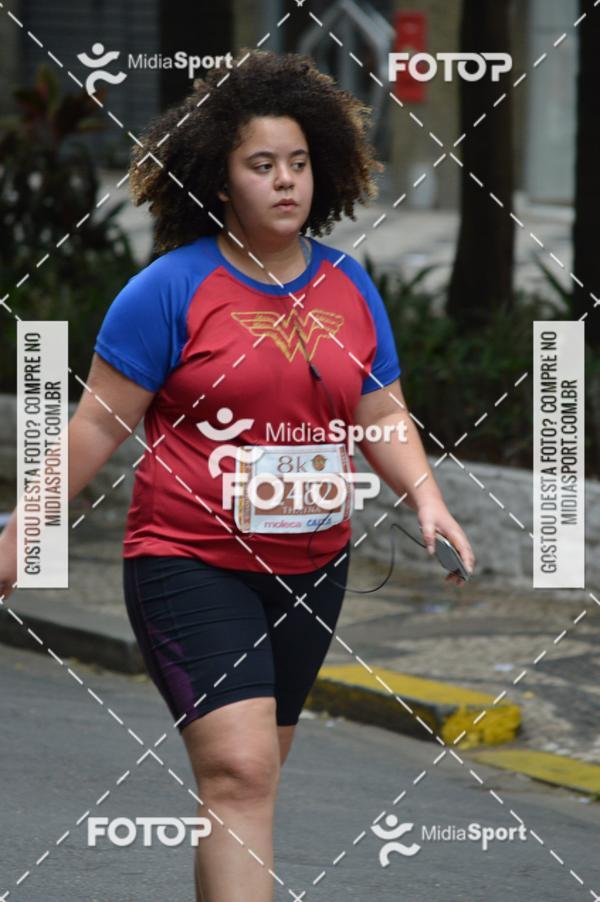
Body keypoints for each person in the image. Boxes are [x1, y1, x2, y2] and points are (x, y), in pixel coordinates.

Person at [0, 48, 475, 902]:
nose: (286, 182)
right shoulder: (168, 291)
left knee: (251, 780)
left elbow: (381, 413)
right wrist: (14, 542)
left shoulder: (350, 287)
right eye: (262, 165)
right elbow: (93, 431)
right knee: (241, 769)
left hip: (311, 569)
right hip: (187, 563)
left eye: (298, 163)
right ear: (220, 181)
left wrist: (427, 496)